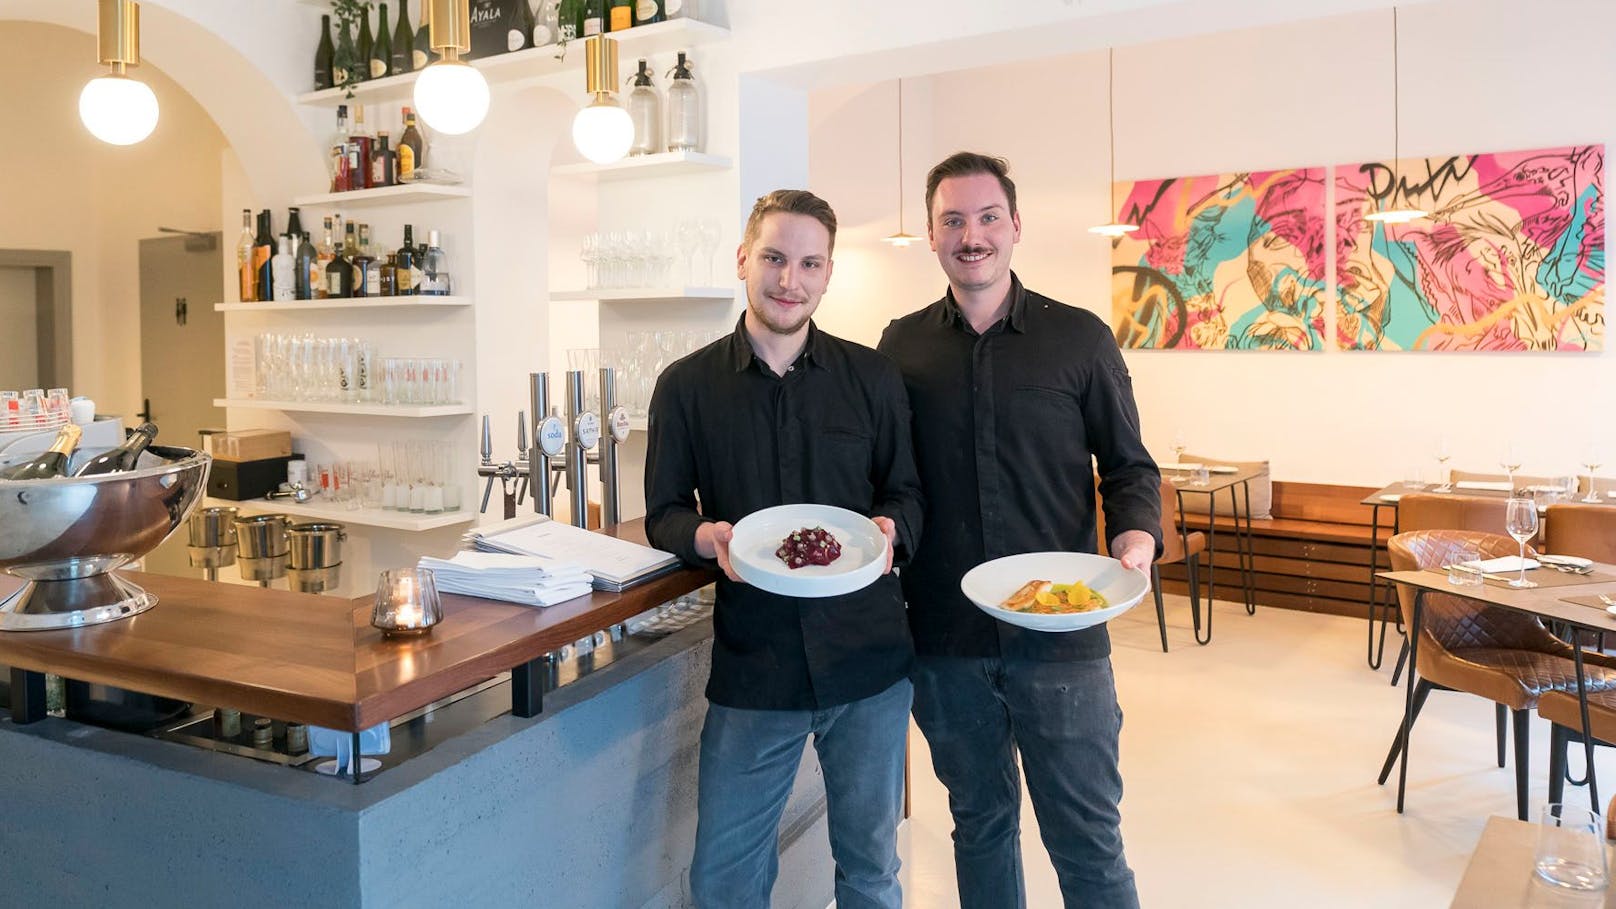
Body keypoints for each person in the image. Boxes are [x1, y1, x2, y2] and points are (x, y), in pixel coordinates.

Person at [877, 152, 1163, 909]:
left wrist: (1136, 537)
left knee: (1088, 841)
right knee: (979, 827)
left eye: (987, 217)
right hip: (944, 640)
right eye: (953, 220)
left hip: (1062, 636)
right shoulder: (899, 349)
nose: (972, 235)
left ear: (1015, 226)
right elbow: (886, 481)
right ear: (933, 235)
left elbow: (1131, 467)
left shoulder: (1080, 339)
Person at [644, 189, 924, 908]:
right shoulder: (686, 387)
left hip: (868, 664)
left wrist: (894, 530)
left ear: (829, 274)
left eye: (808, 262)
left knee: (870, 868)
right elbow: (664, 513)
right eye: (773, 257)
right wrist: (702, 537)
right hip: (755, 667)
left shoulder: (873, 378)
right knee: (725, 879)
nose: (788, 279)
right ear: (744, 258)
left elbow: (906, 495)